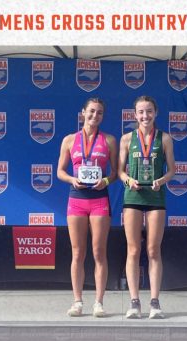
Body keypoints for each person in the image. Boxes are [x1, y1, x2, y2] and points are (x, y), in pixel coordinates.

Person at [56, 97, 118, 318]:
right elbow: (60, 171)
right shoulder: (69, 140)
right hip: (77, 200)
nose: (95, 115)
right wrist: (72, 179)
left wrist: (106, 181)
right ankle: (77, 301)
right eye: (91, 111)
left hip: (99, 200)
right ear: (83, 112)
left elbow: (115, 172)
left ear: (103, 116)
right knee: (77, 252)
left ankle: (99, 302)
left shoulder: (109, 140)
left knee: (99, 251)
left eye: (99, 112)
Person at [117, 95, 176, 319]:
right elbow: (119, 171)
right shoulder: (126, 139)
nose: (145, 116)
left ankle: (154, 302)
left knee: (153, 250)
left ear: (156, 113)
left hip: (156, 197)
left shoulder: (165, 138)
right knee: (133, 249)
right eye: (141, 112)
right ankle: (134, 302)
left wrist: (161, 180)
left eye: (149, 111)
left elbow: (172, 170)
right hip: (132, 196)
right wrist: (128, 180)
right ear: (135, 115)